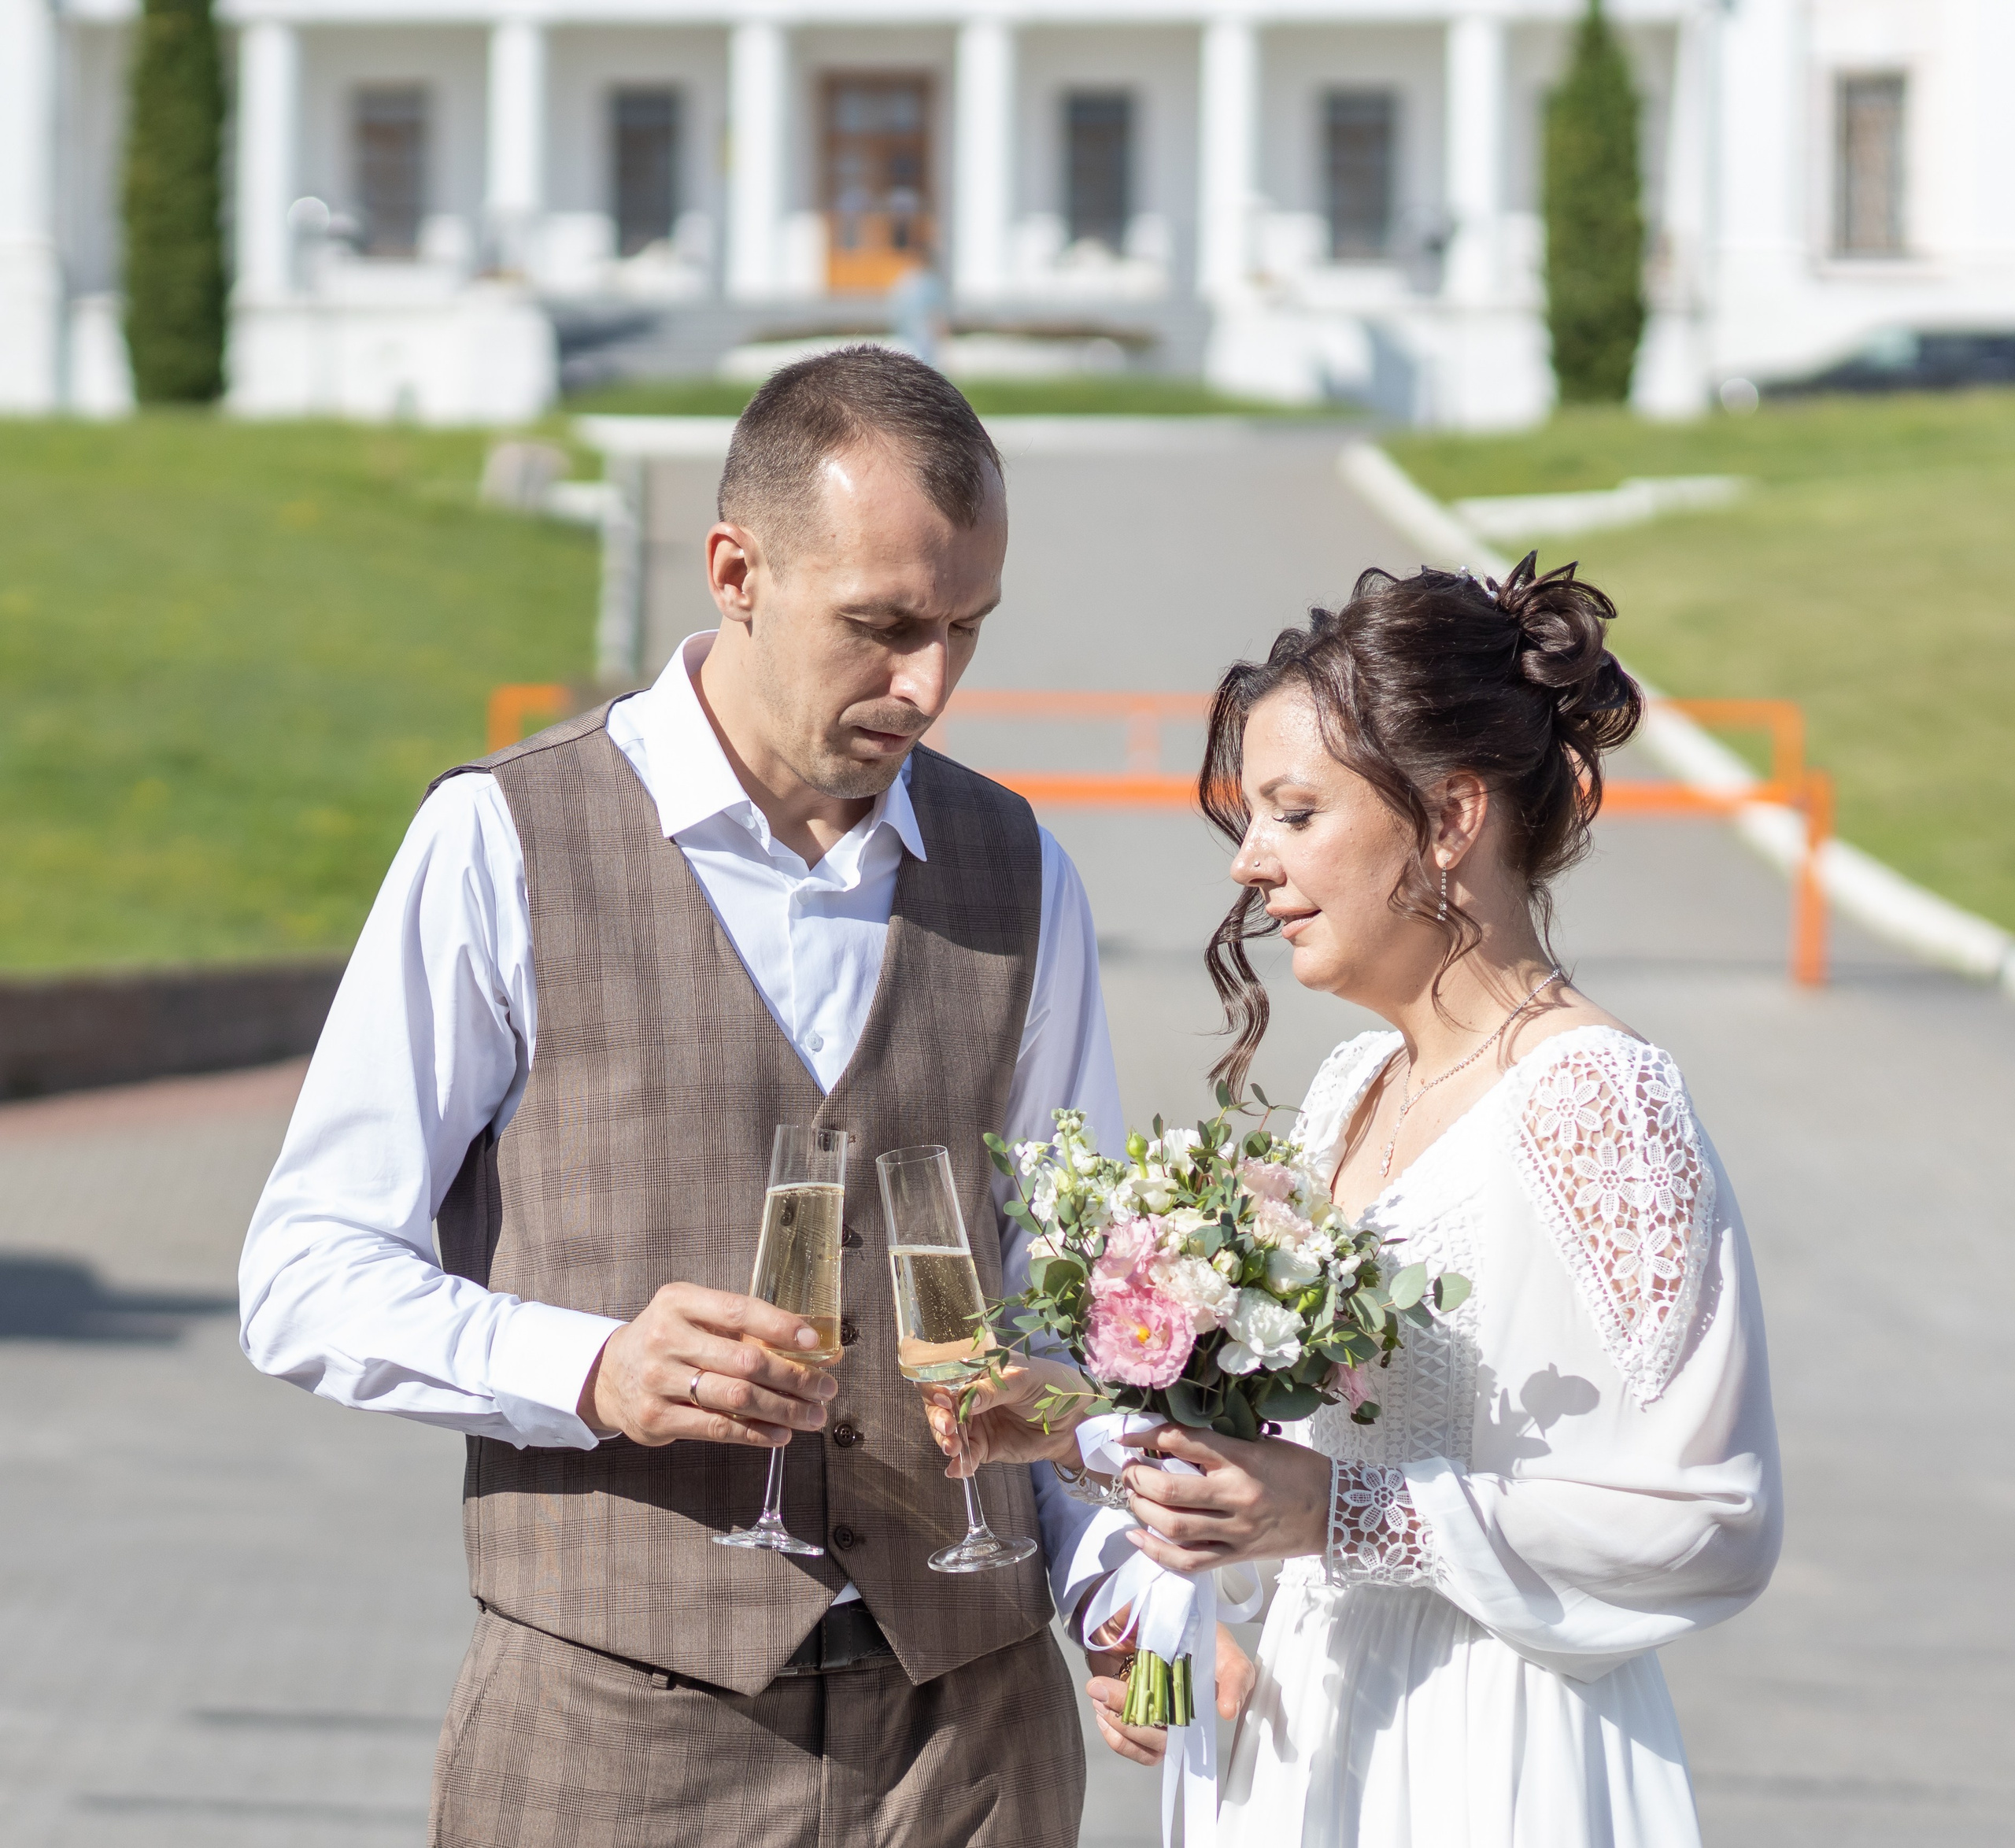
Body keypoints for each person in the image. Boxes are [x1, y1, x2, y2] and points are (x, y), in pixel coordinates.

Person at [238, 346, 1124, 1847]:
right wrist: (590, 1369)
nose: (931, 683)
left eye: (966, 628)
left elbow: (1075, 1307)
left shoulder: (1020, 868)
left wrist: (1121, 1586)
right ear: (735, 568)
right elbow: (303, 1274)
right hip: (614, 1740)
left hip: (972, 1749)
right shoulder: (502, 841)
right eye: (884, 626)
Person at [952, 556, 1783, 1845]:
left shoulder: (1599, 1106)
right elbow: (1307, 1446)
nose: (1247, 864)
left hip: (1483, 1754)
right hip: (1306, 1740)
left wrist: (1339, 1516)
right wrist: (1078, 1432)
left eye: (1293, 812)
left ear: (1451, 818)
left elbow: (1708, 1519)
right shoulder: (1351, 1086)